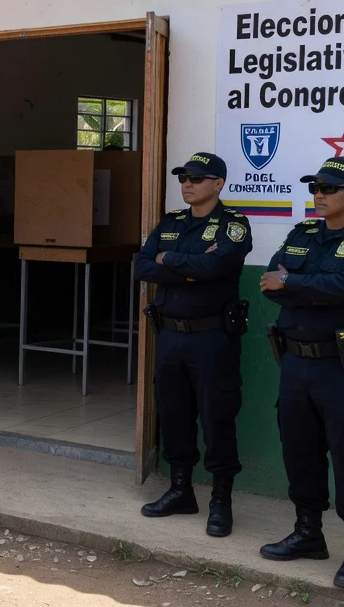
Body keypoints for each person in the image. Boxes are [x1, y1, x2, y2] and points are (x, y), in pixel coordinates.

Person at [258, 157, 344, 591]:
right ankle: (308, 533)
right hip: (296, 362)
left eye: (330, 188)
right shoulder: (303, 234)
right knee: (300, 449)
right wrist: (300, 287)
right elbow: (270, 280)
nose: (319, 194)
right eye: (315, 186)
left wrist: (295, 286)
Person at [134, 152, 252, 536]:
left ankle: (221, 500)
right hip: (169, 335)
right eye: (184, 177)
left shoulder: (233, 226)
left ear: (218, 184)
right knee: (174, 413)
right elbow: (142, 267)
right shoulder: (172, 222)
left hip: (211, 338)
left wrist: (170, 263)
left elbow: (219, 267)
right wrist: (189, 266)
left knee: (217, 417)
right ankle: (181, 490)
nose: (187, 183)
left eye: (197, 178)